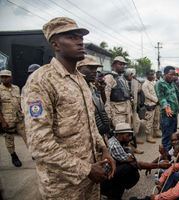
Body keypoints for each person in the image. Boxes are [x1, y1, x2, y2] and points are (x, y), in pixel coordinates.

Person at [22, 17, 115, 199]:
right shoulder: (40, 81)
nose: (80, 41)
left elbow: (90, 123)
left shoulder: (80, 79)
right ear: (56, 45)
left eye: (80, 36)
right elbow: (39, 144)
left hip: (91, 177)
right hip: (63, 185)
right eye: (72, 37)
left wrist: (104, 149)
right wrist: (86, 169)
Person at [102, 123, 170, 200]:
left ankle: (115, 190)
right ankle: (110, 193)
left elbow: (132, 158)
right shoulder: (115, 145)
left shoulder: (117, 141)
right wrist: (158, 165)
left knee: (129, 163)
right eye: (127, 135)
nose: (130, 138)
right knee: (129, 168)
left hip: (110, 173)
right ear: (119, 135)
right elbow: (135, 163)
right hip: (105, 179)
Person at [155, 66, 179, 151]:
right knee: (167, 138)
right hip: (167, 115)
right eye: (171, 74)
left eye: (174, 74)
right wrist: (166, 106)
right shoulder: (159, 84)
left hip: (174, 114)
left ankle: (172, 154)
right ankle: (165, 159)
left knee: (173, 136)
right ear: (165, 74)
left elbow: (178, 94)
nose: (173, 76)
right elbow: (161, 98)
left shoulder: (172, 83)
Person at [77, 55, 110, 137]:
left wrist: (102, 90)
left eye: (96, 69)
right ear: (78, 68)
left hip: (97, 131)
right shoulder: (74, 87)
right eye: (90, 68)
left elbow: (101, 104)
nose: (94, 71)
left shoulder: (92, 86)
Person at [0, 69, 24, 167]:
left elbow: (20, 102)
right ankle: (13, 156)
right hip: (7, 120)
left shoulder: (16, 88)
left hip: (19, 118)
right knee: (9, 139)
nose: (4, 79)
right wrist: (2, 121)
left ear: (11, 77)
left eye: (6, 76)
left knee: (27, 136)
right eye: (2, 77)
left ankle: (33, 153)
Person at [142, 70, 161, 143]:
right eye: (151, 75)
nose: (153, 76)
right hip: (150, 105)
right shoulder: (145, 84)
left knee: (156, 119)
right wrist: (156, 100)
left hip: (156, 104)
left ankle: (155, 132)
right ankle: (148, 136)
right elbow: (147, 95)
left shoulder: (154, 82)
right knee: (149, 121)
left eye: (153, 74)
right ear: (147, 75)